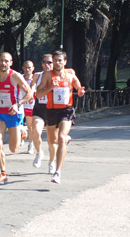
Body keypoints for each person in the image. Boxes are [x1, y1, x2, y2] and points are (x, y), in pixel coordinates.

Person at [36, 50, 85, 184]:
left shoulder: (70, 74)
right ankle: (65, 139)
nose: (57, 63)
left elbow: (77, 85)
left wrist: (80, 91)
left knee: (61, 138)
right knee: (52, 142)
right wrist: (51, 87)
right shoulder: (47, 75)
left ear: (65, 62)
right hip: (51, 111)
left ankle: (57, 172)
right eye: (55, 60)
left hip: (66, 110)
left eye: (60, 60)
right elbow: (38, 94)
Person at [0, 52, 33, 185]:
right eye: (1, 60)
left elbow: (29, 93)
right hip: (0, 113)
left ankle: (22, 130)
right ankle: (3, 173)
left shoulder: (15, 76)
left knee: (13, 148)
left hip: (13, 114)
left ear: (10, 63)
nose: (3, 63)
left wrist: (18, 104)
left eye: (6, 61)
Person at [29, 53, 54, 170]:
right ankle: (39, 153)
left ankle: (52, 161)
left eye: (49, 62)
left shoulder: (57, 76)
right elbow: (33, 87)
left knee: (51, 140)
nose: (47, 64)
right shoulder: (37, 75)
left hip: (53, 109)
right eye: (44, 62)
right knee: (36, 132)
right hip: (39, 107)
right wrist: (31, 94)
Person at [20, 60, 36, 154]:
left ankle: (31, 144)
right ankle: (22, 136)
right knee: (18, 125)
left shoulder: (35, 78)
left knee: (30, 127)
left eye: (29, 67)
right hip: (20, 104)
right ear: (23, 68)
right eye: (25, 67)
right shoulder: (20, 78)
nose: (27, 69)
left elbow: (36, 90)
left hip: (31, 105)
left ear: (33, 68)